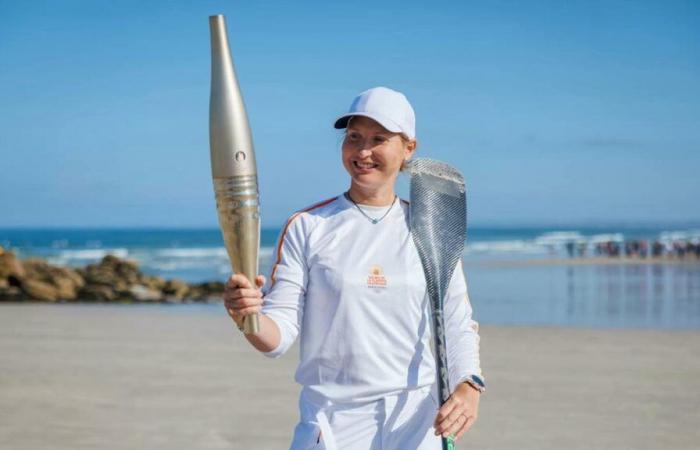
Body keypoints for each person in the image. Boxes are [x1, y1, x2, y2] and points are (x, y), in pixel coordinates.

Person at [223, 87, 484, 449]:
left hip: (416, 423)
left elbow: (456, 321)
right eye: (353, 138)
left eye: (379, 139)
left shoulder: (431, 227)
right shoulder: (308, 226)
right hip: (332, 424)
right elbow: (276, 338)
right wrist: (246, 315)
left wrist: (469, 386)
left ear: (409, 147)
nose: (363, 152)